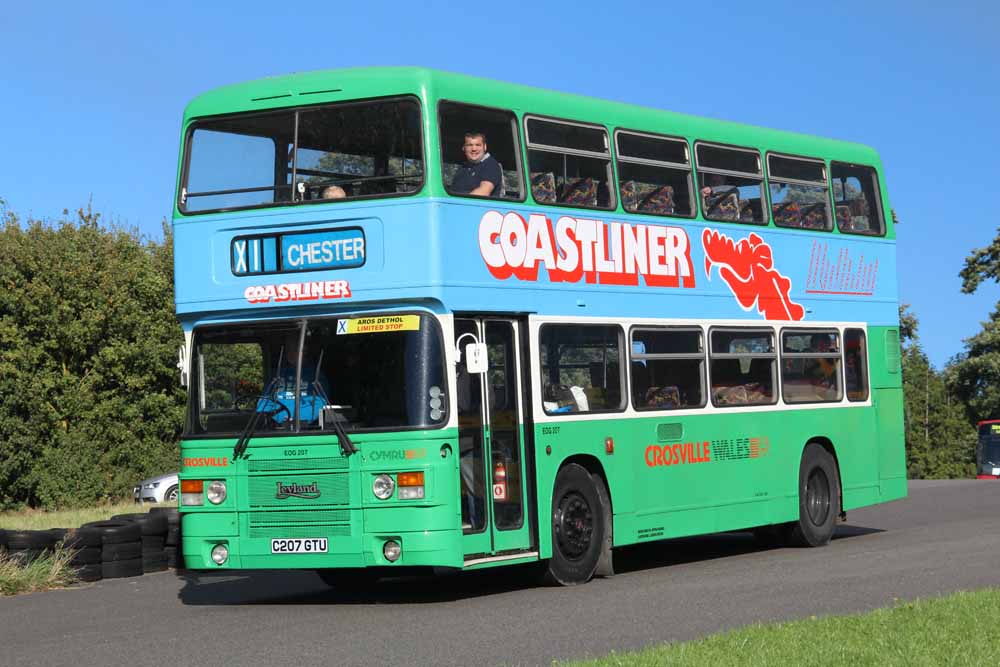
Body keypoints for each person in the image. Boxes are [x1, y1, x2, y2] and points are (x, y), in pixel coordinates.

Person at [258, 333, 331, 425]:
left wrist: (299, 420)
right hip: (275, 429)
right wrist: (277, 419)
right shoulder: (276, 376)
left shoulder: (316, 376)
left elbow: (320, 403)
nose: (290, 352)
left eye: (295, 349)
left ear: (305, 350)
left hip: (305, 429)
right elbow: (264, 402)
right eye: (288, 349)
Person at [450, 132, 502, 197]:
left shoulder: (491, 165)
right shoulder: (463, 167)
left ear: (485, 147)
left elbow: (484, 192)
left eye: (478, 145)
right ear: (464, 148)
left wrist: (459, 205)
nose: (474, 149)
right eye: (469, 145)